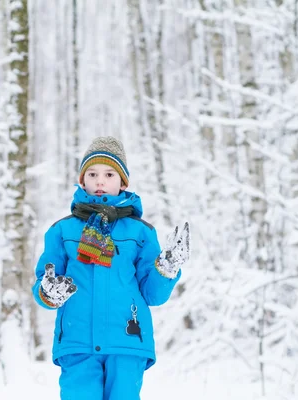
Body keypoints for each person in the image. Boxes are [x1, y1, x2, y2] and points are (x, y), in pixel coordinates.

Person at [31, 136, 190, 400]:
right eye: (92, 174)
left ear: (123, 182)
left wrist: (167, 267)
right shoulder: (62, 230)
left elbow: (152, 294)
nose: (100, 181)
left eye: (108, 174)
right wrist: (47, 292)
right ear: (83, 181)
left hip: (126, 343)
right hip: (77, 342)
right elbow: (43, 283)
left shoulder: (140, 232)